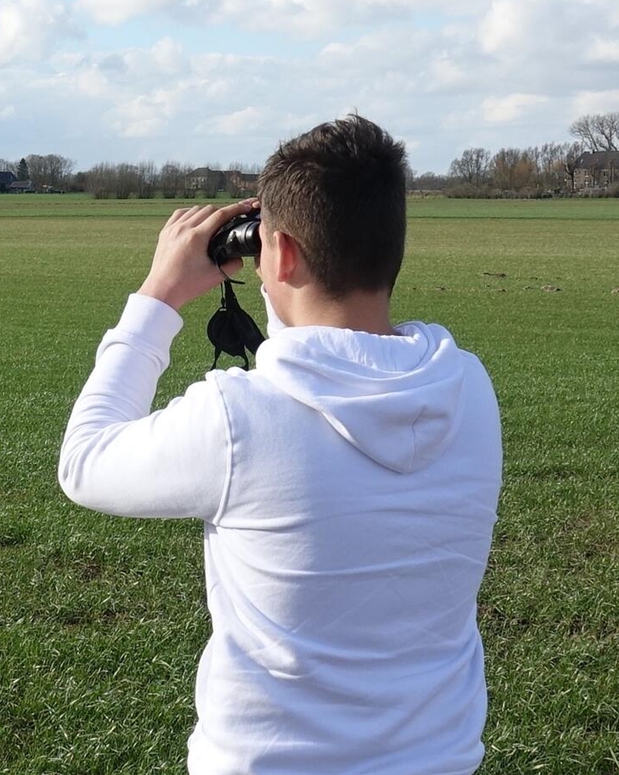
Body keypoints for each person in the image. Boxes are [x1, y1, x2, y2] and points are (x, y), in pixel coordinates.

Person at [58, 115, 502, 774]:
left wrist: (159, 295)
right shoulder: (467, 387)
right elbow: (327, 355)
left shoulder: (237, 418)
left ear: (284, 254)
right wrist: (282, 268)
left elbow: (84, 461)